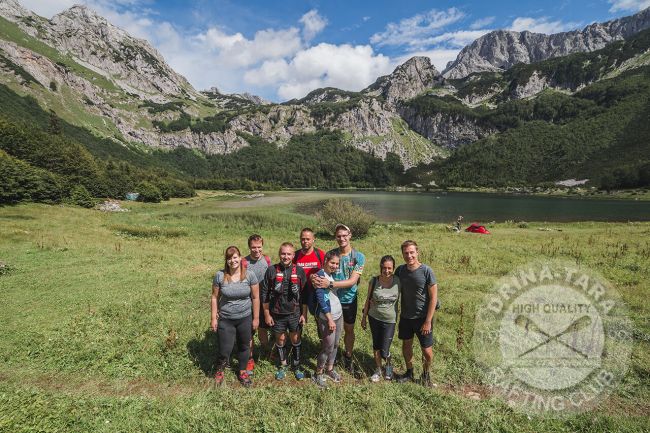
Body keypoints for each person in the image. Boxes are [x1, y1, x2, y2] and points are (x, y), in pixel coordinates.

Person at [313, 223, 365, 374]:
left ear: (350, 236)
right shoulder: (331, 253)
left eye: (344, 235)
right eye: (338, 236)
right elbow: (321, 272)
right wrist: (313, 277)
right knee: (328, 332)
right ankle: (328, 357)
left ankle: (347, 357)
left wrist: (330, 283)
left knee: (349, 330)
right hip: (331, 299)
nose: (342, 238)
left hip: (348, 299)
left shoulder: (358, 257)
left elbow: (353, 281)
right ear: (335, 237)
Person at [211, 246, 260, 387]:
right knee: (224, 349)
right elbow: (214, 297)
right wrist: (214, 318)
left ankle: (242, 371)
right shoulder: (220, 276)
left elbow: (256, 297)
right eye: (229, 258)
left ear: (240, 257)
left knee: (244, 346)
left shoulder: (250, 275)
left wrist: (256, 318)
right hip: (226, 319)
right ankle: (220, 370)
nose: (232, 261)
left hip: (245, 317)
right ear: (226, 260)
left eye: (235, 257)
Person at [261, 242, 308, 380]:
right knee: (280, 339)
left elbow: (304, 295)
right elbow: (264, 293)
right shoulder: (271, 270)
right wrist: (266, 314)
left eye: (289, 254)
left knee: (295, 338)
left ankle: (297, 365)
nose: (285, 256)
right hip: (276, 313)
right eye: (283, 253)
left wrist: (304, 314)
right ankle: (283, 365)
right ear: (279, 254)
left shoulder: (299, 271)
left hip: (294, 312)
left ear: (293, 255)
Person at [394, 240, 438, 386]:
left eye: (412, 252)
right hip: (406, 317)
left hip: (423, 318)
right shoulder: (400, 271)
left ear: (417, 252)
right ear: (402, 254)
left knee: (426, 351)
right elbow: (393, 291)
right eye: (406, 253)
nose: (409, 256)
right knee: (406, 345)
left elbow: (433, 298)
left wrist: (427, 321)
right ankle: (409, 371)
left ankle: (426, 375)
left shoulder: (426, 271)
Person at [361, 255, 401, 382]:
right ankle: (378, 369)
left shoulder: (398, 281)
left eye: (389, 268)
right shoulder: (374, 281)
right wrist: (364, 317)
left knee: (385, 350)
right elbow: (368, 299)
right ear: (380, 268)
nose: (387, 271)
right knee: (376, 345)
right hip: (374, 317)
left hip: (390, 320)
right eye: (384, 268)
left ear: (393, 268)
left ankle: (388, 366)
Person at [313, 250, 344, 387]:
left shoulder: (333, 275)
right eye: (332, 262)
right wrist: (330, 319)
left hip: (339, 314)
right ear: (325, 260)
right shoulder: (320, 276)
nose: (335, 266)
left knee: (336, 344)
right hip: (328, 318)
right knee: (327, 347)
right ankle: (318, 373)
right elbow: (321, 300)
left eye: (337, 264)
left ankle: (329, 369)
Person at [242, 234, 271, 375]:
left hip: (264, 300)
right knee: (249, 331)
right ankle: (249, 358)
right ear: (249, 247)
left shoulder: (266, 260)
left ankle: (267, 351)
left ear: (262, 246)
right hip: (248, 301)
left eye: (259, 247)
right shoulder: (244, 262)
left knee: (262, 328)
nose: (256, 250)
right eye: (253, 247)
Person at [294, 228, 326, 318]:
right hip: (299, 292)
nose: (305, 241)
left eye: (308, 239)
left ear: (313, 239)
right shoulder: (295, 255)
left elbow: (327, 272)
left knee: (319, 319)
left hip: (316, 291)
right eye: (303, 239)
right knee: (299, 320)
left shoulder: (320, 254)